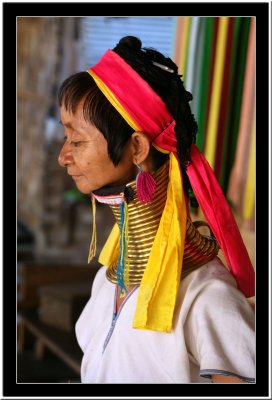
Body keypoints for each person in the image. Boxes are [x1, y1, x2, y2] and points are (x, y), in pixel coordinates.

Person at [58, 36, 255, 384]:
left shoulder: (206, 297)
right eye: (64, 138)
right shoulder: (108, 281)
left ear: (136, 147)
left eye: (77, 140)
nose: (63, 156)